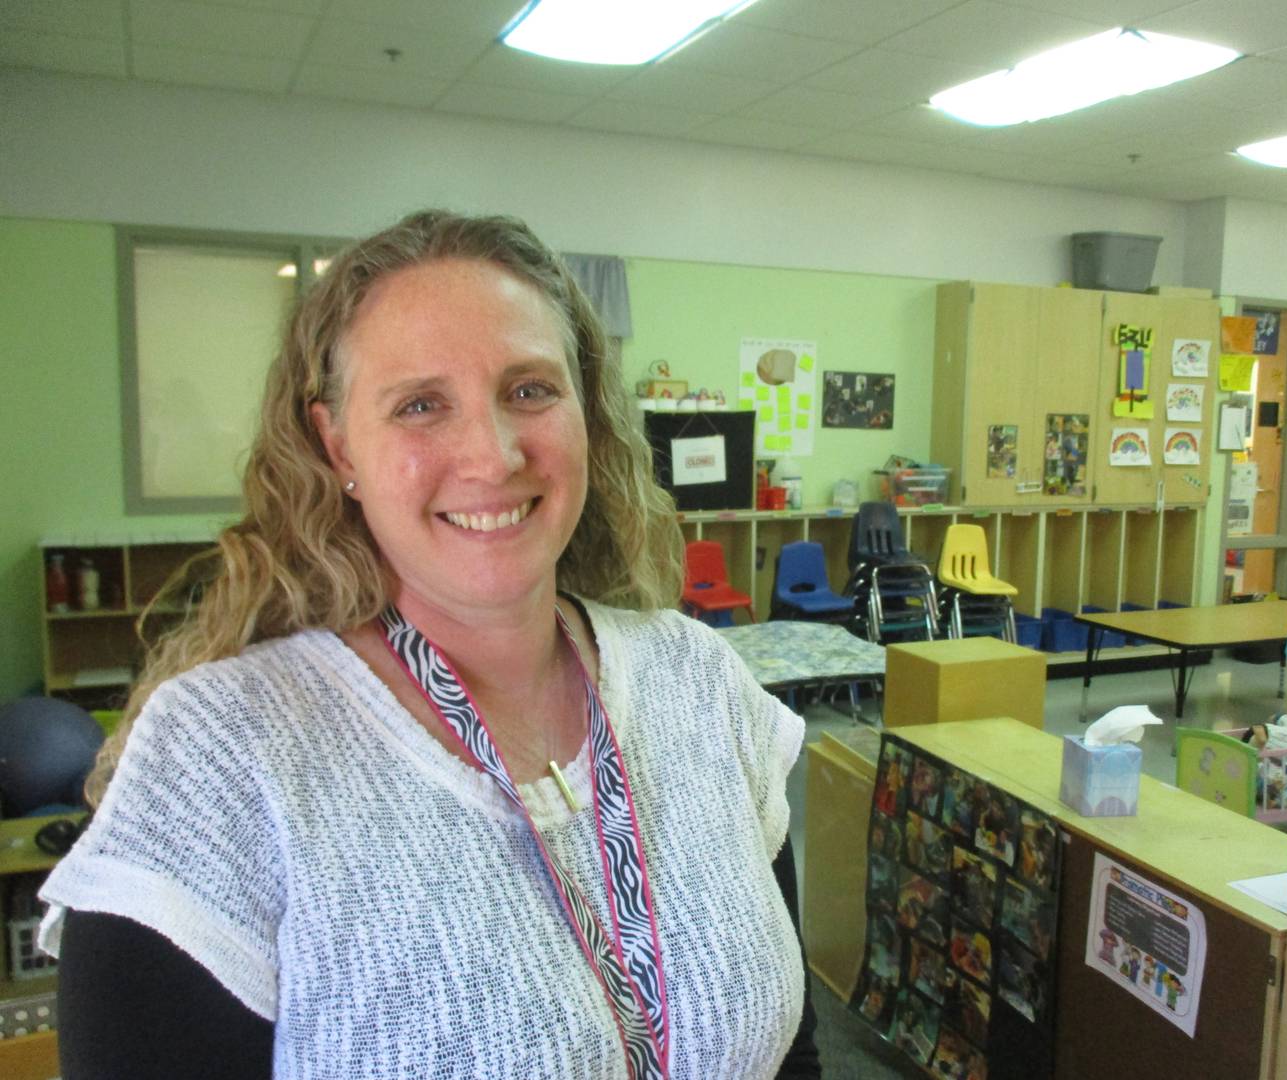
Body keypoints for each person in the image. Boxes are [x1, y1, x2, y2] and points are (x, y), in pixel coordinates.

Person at [39, 211, 820, 1079]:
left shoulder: (698, 681)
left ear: (586, 414)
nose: (491, 454)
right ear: (338, 444)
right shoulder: (220, 759)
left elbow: (792, 1054)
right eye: (420, 404)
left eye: (530, 390)